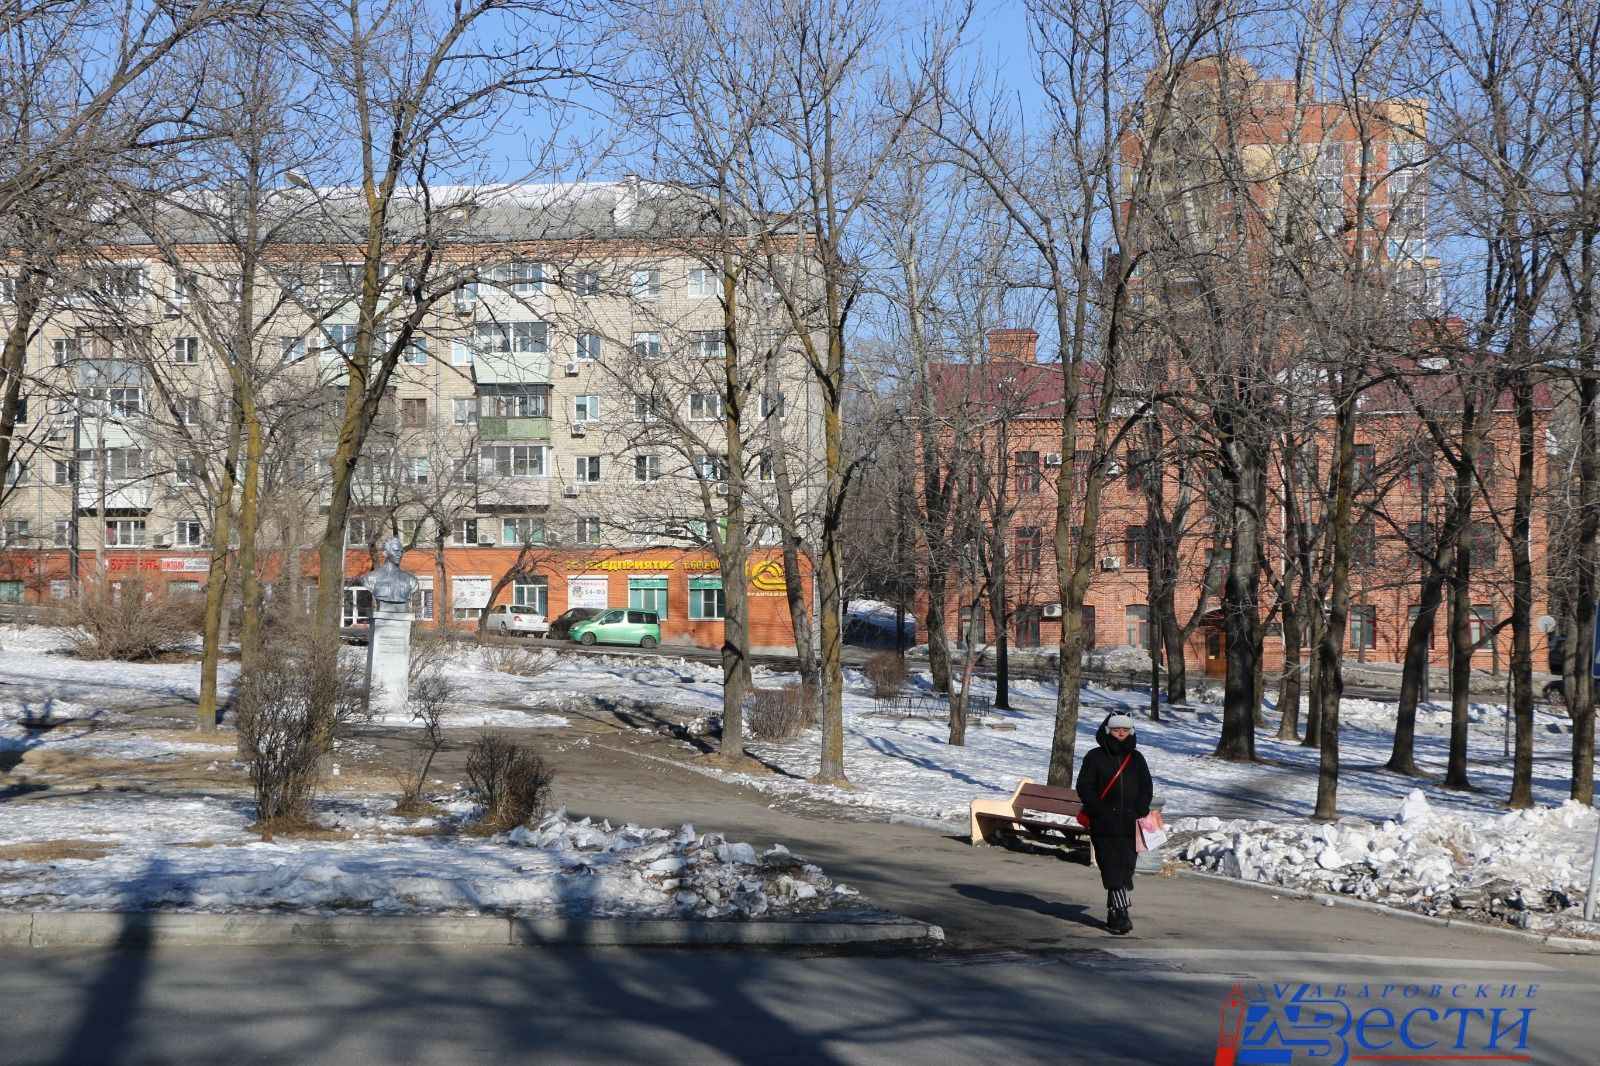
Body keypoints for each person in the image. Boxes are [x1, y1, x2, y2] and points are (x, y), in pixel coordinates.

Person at [1076, 712, 1153, 935]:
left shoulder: (1137, 759)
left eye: (1126, 729)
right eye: (1117, 729)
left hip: (1131, 825)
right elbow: (1085, 786)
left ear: (1131, 731)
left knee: (1125, 869)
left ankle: (1113, 914)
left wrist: (1140, 809)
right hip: (1105, 824)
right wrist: (1099, 810)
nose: (1121, 733)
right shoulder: (1095, 757)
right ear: (1108, 730)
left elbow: (1146, 787)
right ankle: (1121, 913)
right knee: (1112, 868)